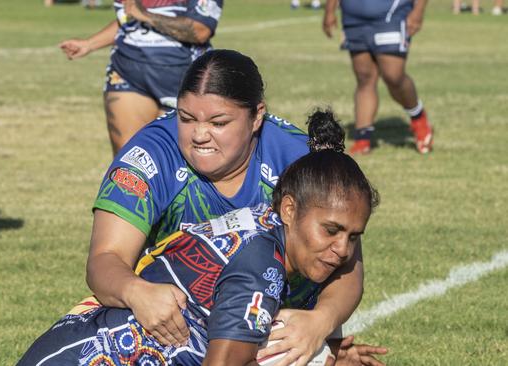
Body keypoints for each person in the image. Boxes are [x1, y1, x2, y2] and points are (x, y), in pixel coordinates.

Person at [37, 50, 376, 365]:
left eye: (218, 123)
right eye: (186, 118)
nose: (199, 134)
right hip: (177, 318)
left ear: (257, 116)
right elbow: (104, 261)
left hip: (282, 315)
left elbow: (345, 259)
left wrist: (320, 323)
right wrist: (136, 291)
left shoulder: (297, 158)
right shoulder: (151, 156)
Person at [59, 0, 223, 155]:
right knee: (129, 159)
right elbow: (128, 21)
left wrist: (144, 14)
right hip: (128, 71)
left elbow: (200, 30)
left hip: (183, 77)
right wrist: (89, 44)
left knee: (180, 160)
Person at [323, 0, 434, 155]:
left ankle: (418, 117)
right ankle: (363, 139)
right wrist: (329, 10)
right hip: (353, 17)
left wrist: (418, 10)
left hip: (391, 14)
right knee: (364, 77)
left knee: (393, 75)